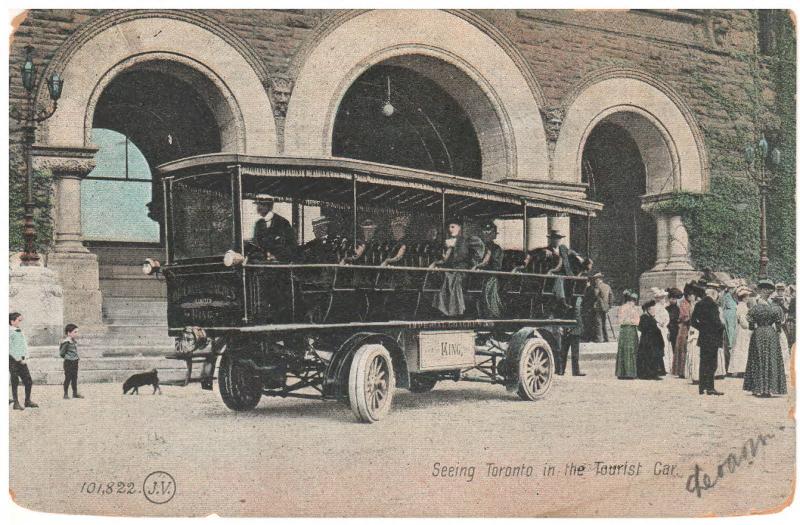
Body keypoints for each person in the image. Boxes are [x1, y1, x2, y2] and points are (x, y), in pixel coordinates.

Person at [431, 217, 484, 317]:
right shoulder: (450, 243)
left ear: (460, 227)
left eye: (453, 227)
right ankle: (445, 309)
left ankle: (455, 310)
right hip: (453, 269)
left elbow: (466, 257)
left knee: (451, 277)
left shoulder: (467, 241)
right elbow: (446, 259)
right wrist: (437, 262)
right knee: (444, 275)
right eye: (449, 227)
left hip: (463, 270)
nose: (450, 229)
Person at [743, 279, 787, 397]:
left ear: (761, 291)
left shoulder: (755, 308)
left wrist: (756, 326)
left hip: (758, 333)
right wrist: (775, 332)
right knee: (771, 359)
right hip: (771, 334)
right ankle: (769, 389)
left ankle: (758, 388)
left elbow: (751, 326)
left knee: (758, 359)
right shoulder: (776, 308)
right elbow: (779, 326)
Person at [691, 282, 725, 395]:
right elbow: (716, 322)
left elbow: (693, 321)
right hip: (713, 338)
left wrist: (702, 328)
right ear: (714, 293)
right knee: (712, 364)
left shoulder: (699, 304)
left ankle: (702, 387)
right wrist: (722, 326)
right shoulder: (713, 305)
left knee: (703, 362)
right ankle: (710, 387)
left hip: (703, 337)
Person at [252, 196, 297, 262]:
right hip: (262, 263)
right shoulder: (259, 224)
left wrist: (277, 257)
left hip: (280, 263)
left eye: (261, 205)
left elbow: (292, 245)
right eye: (258, 205)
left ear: (269, 206)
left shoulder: (283, 222)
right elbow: (256, 243)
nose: (258, 208)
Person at [474, 221, 504, 319]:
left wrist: (478, 266)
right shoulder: (478, 247)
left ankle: (492, 315)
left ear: (494, 234)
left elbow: (490, 263)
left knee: (489, 290)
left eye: (490, 232)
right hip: (480, 275)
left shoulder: (495, 248)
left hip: (492, 275)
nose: (487, 234)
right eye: (485, 231)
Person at [9, 313, 38, 411]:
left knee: (28, 380)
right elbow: (9, 348)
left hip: (22, 360)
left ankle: (27, 400)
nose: (20, 322)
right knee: (15, 380)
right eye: (18, 320)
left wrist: (25, 356)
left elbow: (23, 345)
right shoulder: (9, 332)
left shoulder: (19, 331)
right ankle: (16, 403)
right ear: (12, 321)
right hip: (12, 360)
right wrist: (18, 358)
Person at [728, 286, 753, 377]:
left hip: (741, 329)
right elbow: (742, 320)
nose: (748, 298)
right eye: (747, 296)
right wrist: (750, 326)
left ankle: (741, 369)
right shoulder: (741, 306)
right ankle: (740, 369)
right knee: (742, 348)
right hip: (743, 330)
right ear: (743, 297)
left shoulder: (742, 305)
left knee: (741, 348)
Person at [637, 300, 665, 379]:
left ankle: (653, 373)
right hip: (647, 340)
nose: (654, 311)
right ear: (648, 309)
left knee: (653, 356)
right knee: (648, 356)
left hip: (653, 340)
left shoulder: (651, 317)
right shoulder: (644, 317)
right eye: (652, 309)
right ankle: (648, 373)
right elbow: (642, 328)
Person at [615, 290, 639, 379]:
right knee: (629, 349)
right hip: (629, 330)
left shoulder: (624, 308)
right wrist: (631, 321)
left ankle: (623, 372)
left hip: (626, 330)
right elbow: (636, 321)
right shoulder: (629, 308)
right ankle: (629, 372)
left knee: (626, 349)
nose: (633, 303)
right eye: (632, 301)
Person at [673, 283, 696, 378]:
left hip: (690, 326)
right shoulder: (683, 304)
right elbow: (685, 317)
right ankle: (681, 371)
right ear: (688, 296)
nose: (694, 297)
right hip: (684, 328)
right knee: (683, 347)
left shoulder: (690, 303)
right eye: (692, 295)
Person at [59, 323, 83, 399]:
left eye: (77, 332)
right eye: (75, 332)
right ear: (69, 333)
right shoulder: (66, 342)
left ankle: (75, 393)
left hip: (75, 362)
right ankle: (65, 394)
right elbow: (62, 353)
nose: (76, 334)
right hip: (68, 362)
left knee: (74, 378)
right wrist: (68, 357)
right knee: (68, 378)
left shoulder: (73, 341)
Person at [651, 288, 672, 375]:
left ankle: (665, 367)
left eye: (664, 298)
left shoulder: (663, 308)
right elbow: (655, 318)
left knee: (665, 346)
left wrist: (665, 323)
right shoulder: (655, 308)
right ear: (659, 299)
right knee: (661, 346)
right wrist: (660, 323)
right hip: (659, 329)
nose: (664, 300)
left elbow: (667, 319)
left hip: (664, 328)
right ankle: (660, 367)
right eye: (662, 298)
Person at [588, 272, 613, 342]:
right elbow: (611, 296)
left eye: (595, 279)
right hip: (605, 307)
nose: (595, 280)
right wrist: (609, 305)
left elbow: (595, 295)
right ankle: (606, 338)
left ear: (598, 279)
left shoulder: (597, 286)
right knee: (604, 322)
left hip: (598, 307)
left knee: (598, 322)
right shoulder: (607, 286)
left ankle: (599, 339)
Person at [721, 281, 739, 373]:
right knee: (729, 340)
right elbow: (724, 307)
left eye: (733, 288)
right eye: (731, 288)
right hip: (729, 319)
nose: (732, 290)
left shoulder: (732, 297)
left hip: (732, 319)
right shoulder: (727, 296)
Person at [666, 288, 682, 362]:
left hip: (676, 329)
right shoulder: (667, 309)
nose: (673, 300)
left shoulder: (678, 309)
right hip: (670, 329)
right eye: (671, 298)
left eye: (674, 298)